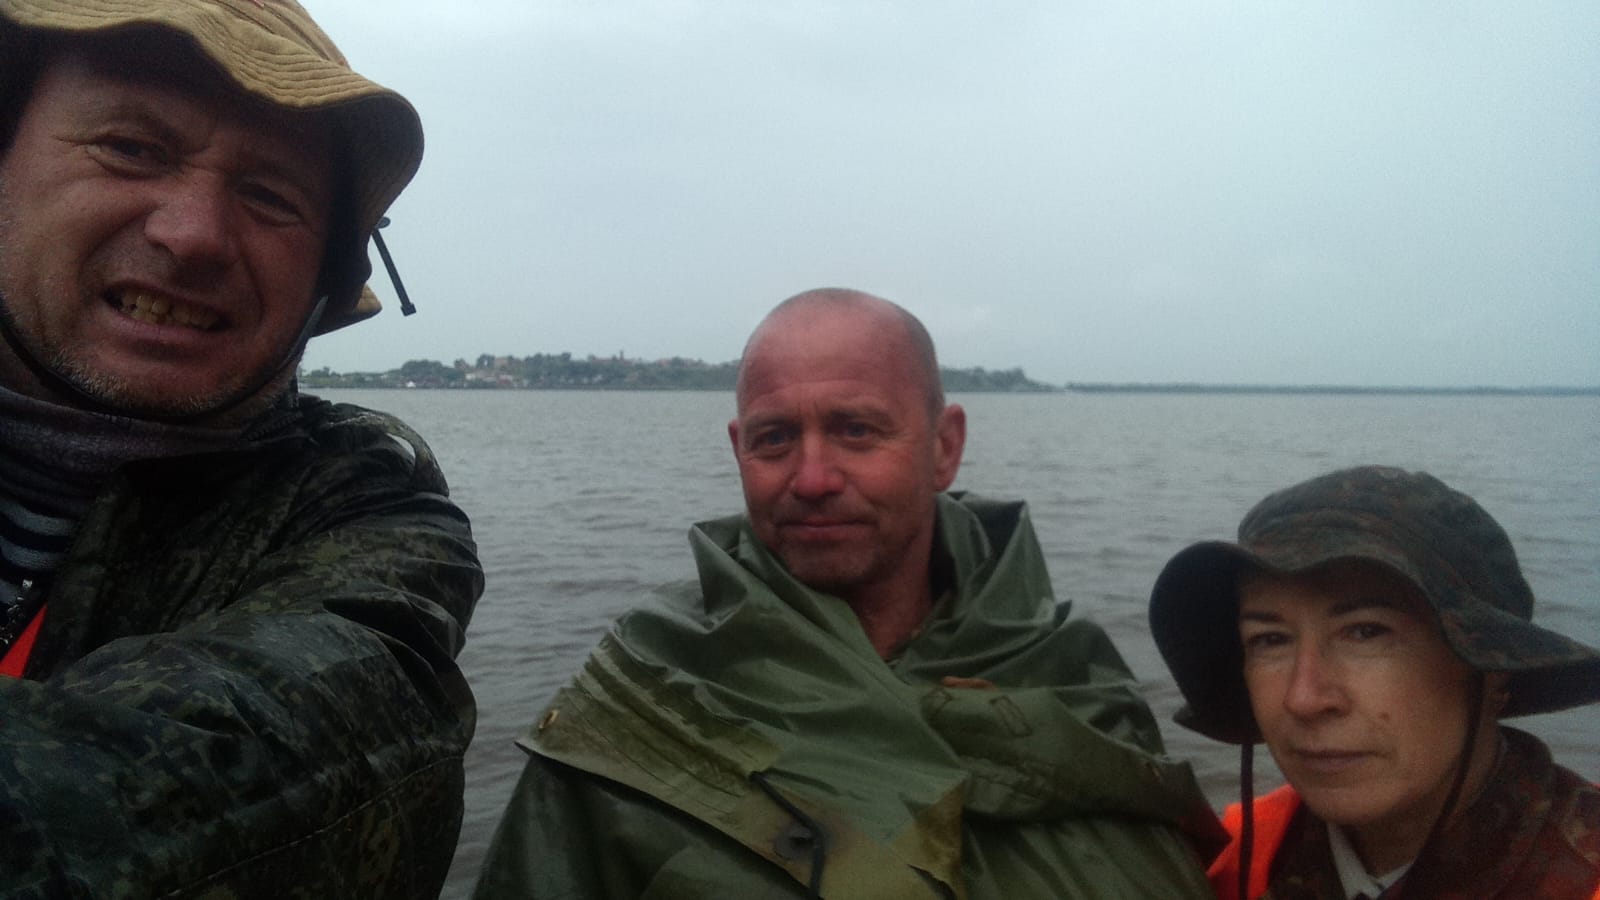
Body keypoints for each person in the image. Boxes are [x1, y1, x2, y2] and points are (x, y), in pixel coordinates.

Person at [474, 288, 1222, 898]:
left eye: (856, 430)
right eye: (774, 438)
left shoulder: (1071, 673)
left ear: (944, 446)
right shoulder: (641, 704)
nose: (812, 478)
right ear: (739, 450)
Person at [0, 1, 483, 897]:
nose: (193, 236)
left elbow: (313, 754)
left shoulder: (365, 510)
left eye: (270, 197)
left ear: (322, 281)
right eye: (130, 148)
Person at [1149, 465, 1600, 900]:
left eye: (1366, 632)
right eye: (1270, 639)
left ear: (1493, 671)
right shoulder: (1230, 857)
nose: (1304, 698)